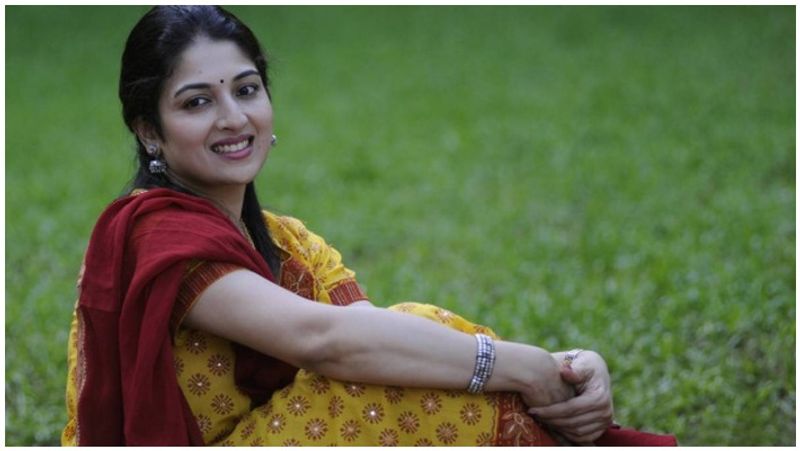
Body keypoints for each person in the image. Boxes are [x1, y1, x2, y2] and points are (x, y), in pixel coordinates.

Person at [62, 6, 674, 446]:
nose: (233, 118)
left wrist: (566, 365)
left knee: (407, 348)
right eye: (197, 102)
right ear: (149, 130)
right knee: (373, 388)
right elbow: (325, 341)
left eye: (246, 90)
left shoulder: (286, 239)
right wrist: (521, 367)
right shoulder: (153, 236)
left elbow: (382, 341)